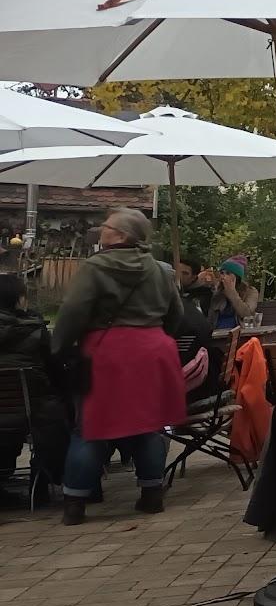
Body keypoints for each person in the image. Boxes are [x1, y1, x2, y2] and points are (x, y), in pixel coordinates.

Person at [53, 207, 186, 524]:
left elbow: (73, 312)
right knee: (149, 423)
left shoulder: (95, 267)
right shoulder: (160, 270)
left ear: (122, 235)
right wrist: (155, 335)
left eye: (106, 226)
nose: (102, 229)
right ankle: (152, 494)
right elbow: (177, 315)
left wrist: (59, 347)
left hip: (107, 353)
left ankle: (75, 502)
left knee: (91, 427)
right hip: (153, 351)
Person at [0, 274, 70, 495]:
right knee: (65, 406)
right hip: (34, 412)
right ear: (19, 299)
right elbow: (56, 369)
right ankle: (42, 480)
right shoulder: (36, 332)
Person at [205, 255, 259, 330]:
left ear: (236, 277)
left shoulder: (250, 291)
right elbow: (211, 319)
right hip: (218, 333)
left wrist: (232, 293)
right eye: (222, 273)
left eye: (228, 273)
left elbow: (247, 315)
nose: (224, 276)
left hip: (241, 332)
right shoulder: (218, 293)